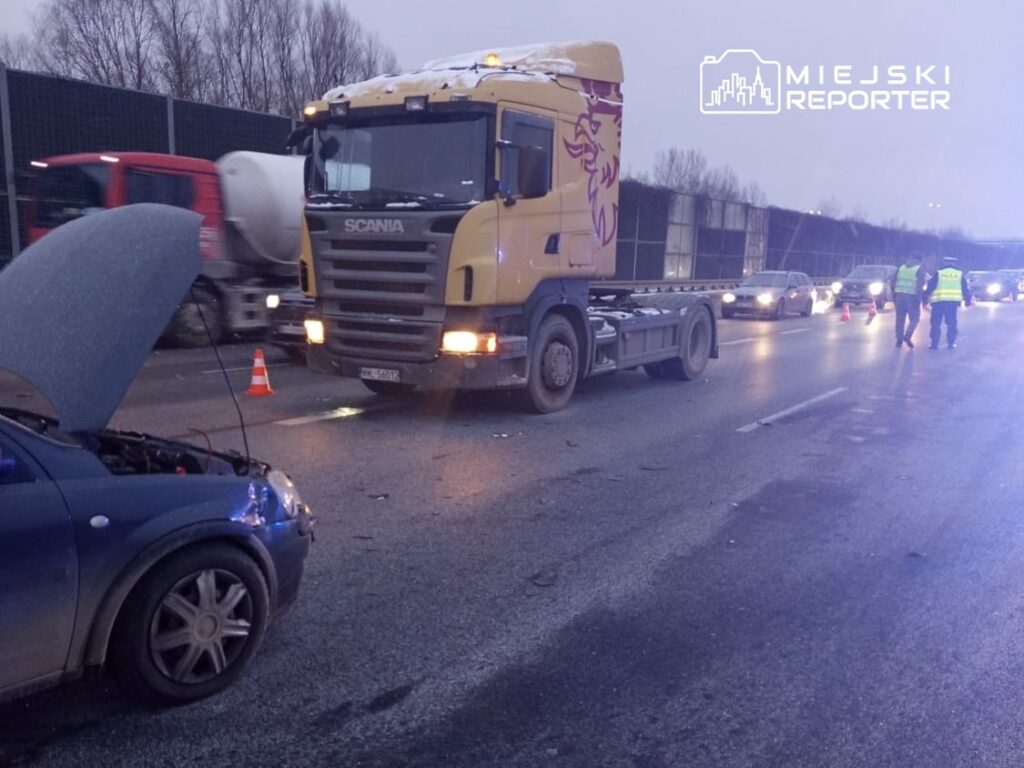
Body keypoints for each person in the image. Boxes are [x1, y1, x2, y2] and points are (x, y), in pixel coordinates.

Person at [924, 255, 970, 349]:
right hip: (952, 303)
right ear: (954, 263)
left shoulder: (939, 273)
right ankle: (951, 342)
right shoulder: (959, 274)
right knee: (951, 323)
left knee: (936, 323)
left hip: (938, 302)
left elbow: (930, 286)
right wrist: (967, 300)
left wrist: (925, 298)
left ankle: (934, 344)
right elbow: (965, 288)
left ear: (945, 263)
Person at [891, 252, 926, 348]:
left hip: (899, 296)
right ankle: (908, 336)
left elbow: (892, 282)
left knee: (900, 319)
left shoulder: (901, 268)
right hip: (912, 297)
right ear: (919, 261)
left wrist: (894, 295)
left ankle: (899, 339)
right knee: (915, 319)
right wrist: (919, 299)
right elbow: (919, 286)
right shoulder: (919, 270)